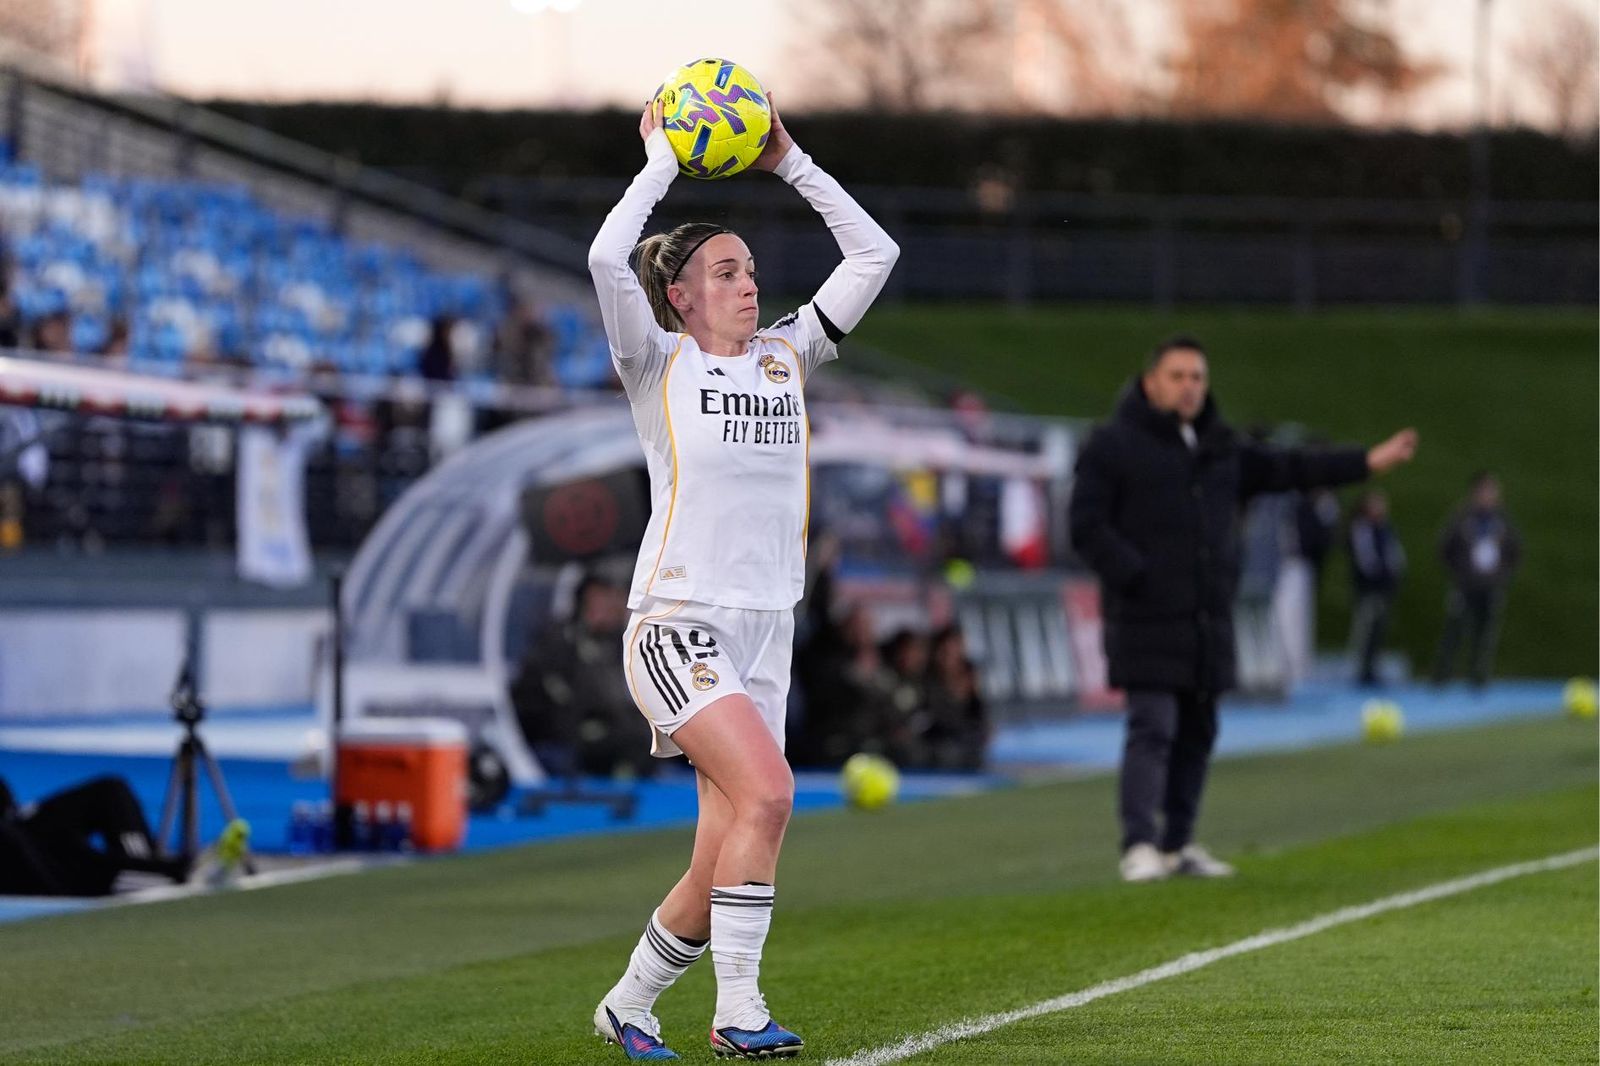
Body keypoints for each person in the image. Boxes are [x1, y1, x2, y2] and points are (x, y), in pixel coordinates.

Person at [587, 91, 897, 1060]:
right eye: (725, 272)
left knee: (721, 854)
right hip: (676, 624)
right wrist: (660, 160)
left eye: (752, 270)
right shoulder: (656, 362)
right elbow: (606, 259)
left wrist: (790, 160)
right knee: (770, 792)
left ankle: (628, 1004)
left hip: (770, 629)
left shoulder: (785, 357)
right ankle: (739, 1010)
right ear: (679, 295)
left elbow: (875, 255)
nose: (748, 285)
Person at [1068, 335, 1416, 884]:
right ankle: (1138, 844)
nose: (1189, 387)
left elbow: (1290, 468)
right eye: (1178, 376)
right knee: (1152, 726)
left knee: (1199, 730)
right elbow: (1085, 527)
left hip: (1207, 617)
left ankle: (1178, 842)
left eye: (1198, 378)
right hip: (1145, 617)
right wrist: (1138, 577)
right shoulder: (1112, 445)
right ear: (1151, 380)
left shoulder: (1220, 447)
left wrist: (1367, 462)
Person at [511, 571, 654, 780]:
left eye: (619, 598)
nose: (615, 606)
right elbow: (561, 703)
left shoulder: (617, 643)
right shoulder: (560, 642)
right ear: (586, 600)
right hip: (564, 732)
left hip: (605, 727)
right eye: (606, 597)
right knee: (635, 739)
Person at [0, 775, 189, 896]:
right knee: (63, 860)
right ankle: (176, 876)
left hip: (15, 820)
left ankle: (144, 867)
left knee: (109, 791)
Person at [1432, 471, 1520, 688]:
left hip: (1490, 585)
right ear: (1475, 492)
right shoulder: (1462, 518)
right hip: (1465, 584)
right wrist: (1458, 573)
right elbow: (1445, 548)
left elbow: (1515, 550)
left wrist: (1502, 575)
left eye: (1493, 491)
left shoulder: (1502, 520)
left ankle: (1478, 677)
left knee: (1485, 634)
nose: (1490, 495)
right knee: (1454, 629)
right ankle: (1442, 675)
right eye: (1486, 490)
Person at [1346, 490, 1406, 686]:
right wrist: (1379, 576)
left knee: (1379, 630)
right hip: (1368, 589)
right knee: (1365, 630)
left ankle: (1373, 669)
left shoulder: (1386, 528)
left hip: (1385, 589)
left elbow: (1395, 556)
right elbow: (1365, 561)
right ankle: (1362, 670)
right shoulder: (1361, 528)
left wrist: (1393, 576)